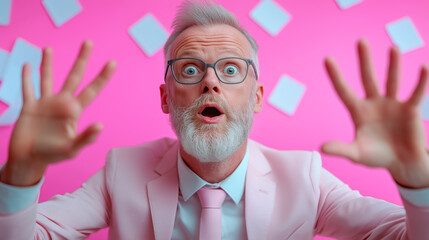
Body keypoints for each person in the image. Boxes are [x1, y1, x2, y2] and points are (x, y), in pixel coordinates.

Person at [1, 1, 428, 239]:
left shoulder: (305, 178)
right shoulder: (121, 171)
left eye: (229, 69)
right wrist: (19, 173)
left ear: (257, 97)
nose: (210, 82)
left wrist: (418, 180)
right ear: (166, 98)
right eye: (190, 69)